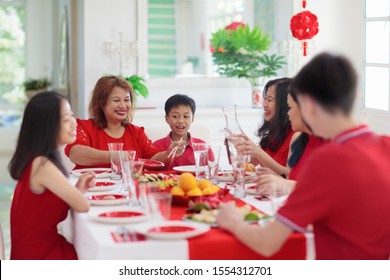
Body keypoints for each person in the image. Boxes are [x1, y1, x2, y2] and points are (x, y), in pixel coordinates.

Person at [217, 52, 390, 259]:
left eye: (290, 106)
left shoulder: (327, 160)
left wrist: (233, 221)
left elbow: (267, 243)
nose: (289, 114)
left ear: (308, 104)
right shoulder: (385, 145)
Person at [8, 91, 95, 260]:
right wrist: (78, 194)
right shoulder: (42, 165)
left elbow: (46, 208)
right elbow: (83, 206)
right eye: (65, 119)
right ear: (47, 127)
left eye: (71, 115)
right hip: (38, 257)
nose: (74, 123)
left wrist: (77, 189)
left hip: (36, 251)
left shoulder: (36, 160)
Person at [65, 76, 180, 169]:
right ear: (101, 103)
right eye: (116, 100)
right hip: (91, 191)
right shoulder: (85, 127)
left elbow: (155, 159)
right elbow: (76, 153)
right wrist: (115, 155)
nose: (123, 105)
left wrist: (169, 152)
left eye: (126, 100)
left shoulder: (136, 132)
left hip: (127, 190)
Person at [253, 86, 325, 194]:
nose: (288, 113)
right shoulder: (302, 140)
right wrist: (279, 177)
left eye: (290, 108)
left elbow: (325, 189)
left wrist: (285, 183)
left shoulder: (328, 145)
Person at [235, 77, 298, 176]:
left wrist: (258, 153)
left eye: (270, 100)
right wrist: (242, 151)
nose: (264, 104)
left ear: (285, 104)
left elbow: (292, 175)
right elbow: (246, 166)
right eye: (265, 98)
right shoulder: (273, 134)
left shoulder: (296, 135)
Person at [153, 94, 208, 169]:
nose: (181, 121)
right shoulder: (155, 146)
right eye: (175, 116)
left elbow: (213, 172)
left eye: (186, 116)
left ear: (192, 119)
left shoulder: (203, 147)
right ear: (167, 119)